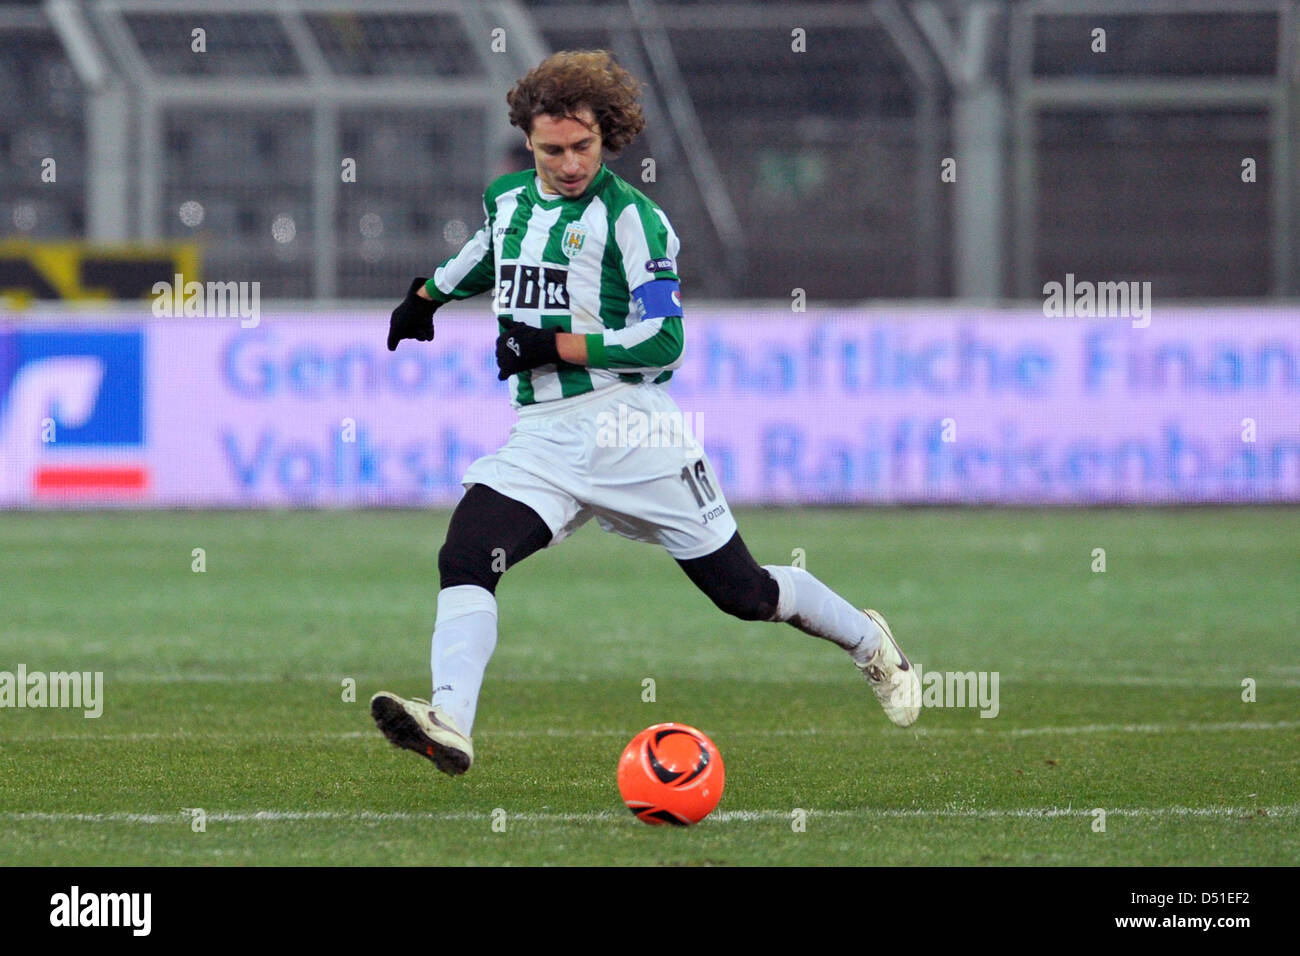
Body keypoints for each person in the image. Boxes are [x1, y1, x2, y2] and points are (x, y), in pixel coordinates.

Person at [370, 50, 920, 776]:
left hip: (634, 431)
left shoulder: (636, 222)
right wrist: (427, 297)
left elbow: (665, 343)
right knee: (466, 554)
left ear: (609, 137)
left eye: (584, 147)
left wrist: (554, 343)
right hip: (543, 439)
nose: (569, 163)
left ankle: (869, 642)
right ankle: (452, 721)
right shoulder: (508, 201)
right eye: (552, 149)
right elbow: (487, 252)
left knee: (744, 593)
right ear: (526, 142)